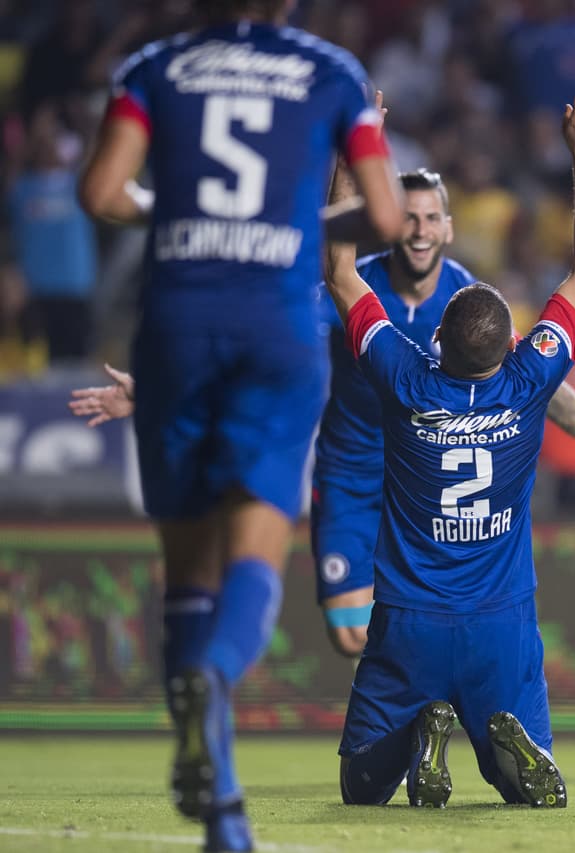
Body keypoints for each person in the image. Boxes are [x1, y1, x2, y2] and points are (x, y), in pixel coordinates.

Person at [72, 170, 575, 659]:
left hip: (433, 483)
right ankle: (416, 706)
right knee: (349, 634)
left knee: (420, 623)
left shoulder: (467, 300)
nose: (419, 230)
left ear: (448, 226)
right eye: (407, 216)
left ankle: (414, 722)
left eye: (430, 217)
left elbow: (537, 387)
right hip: (355, 474)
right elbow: (268, 352)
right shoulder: (352, 289)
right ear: (390, 224)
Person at [76, 1, 404, 850]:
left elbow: (101, 193)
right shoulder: (332, 73)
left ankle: (224, 815)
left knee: (188, 570)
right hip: (276, 328)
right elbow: (386, 216)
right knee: (256, 549)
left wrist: (184, 212)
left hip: (177, 324)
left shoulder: (152, 67)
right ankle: (210, 677)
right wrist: (282, 225)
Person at [326, 82, 575, 810]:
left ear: (434, 342)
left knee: (361, 787)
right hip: (502, 620)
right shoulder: (529, 380)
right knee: (529, 792)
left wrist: (355, 154)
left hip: (408, 619)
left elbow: (340, 270)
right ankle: (500, 742)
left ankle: (421, 728)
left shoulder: (404, 377)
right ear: (512, 343)